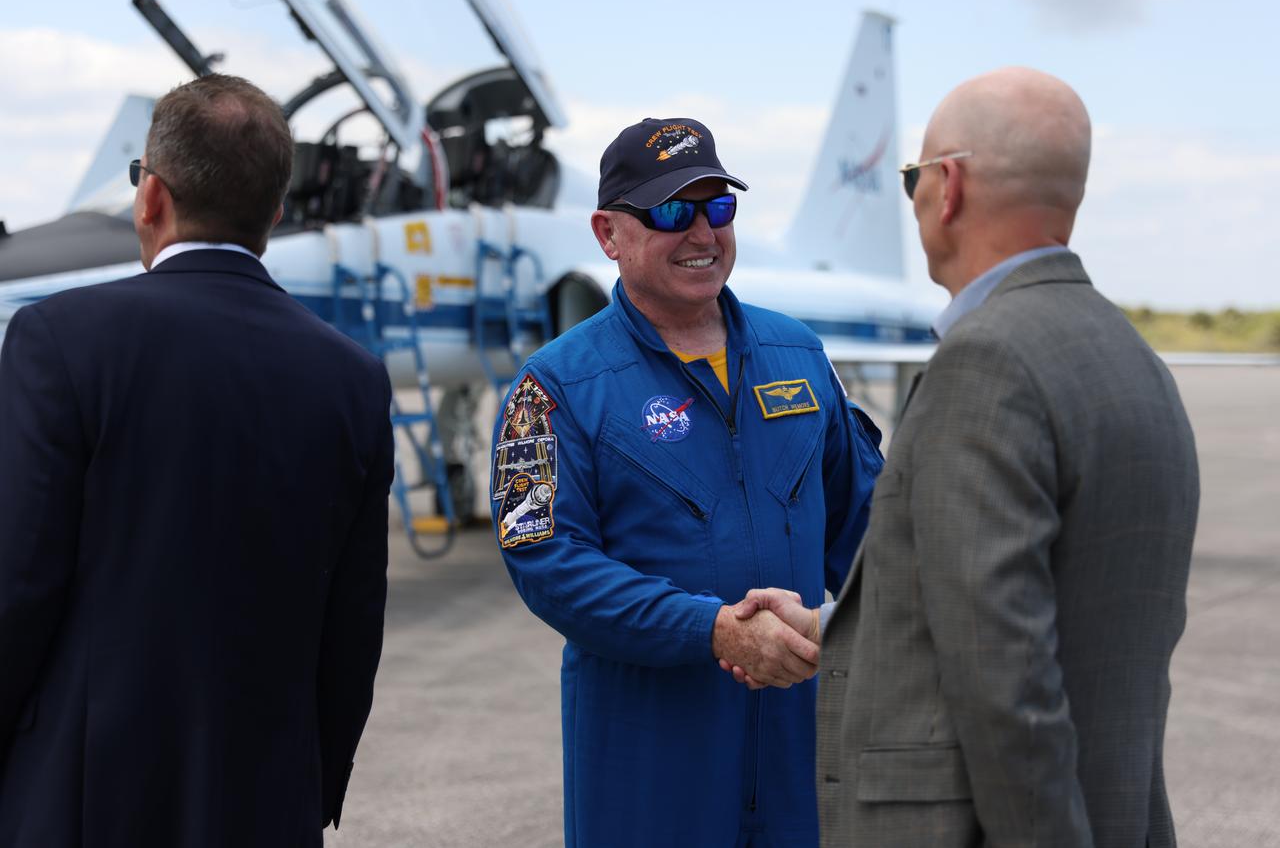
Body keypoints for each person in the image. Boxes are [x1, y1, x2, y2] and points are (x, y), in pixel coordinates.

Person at [732, 67, 1200, 847]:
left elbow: (1004, 679)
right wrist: (832, 622)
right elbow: (1070, 611)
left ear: (946, 187)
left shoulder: (987, 364)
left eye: (913, 175)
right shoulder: (1134, 360)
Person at [0, 74, 392, 846]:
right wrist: (308, 785)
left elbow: (17, 588)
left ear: (150, 198)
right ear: (276, 212)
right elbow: (353, 629)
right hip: (266, 800)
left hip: (83, 798)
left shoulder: (60, 340)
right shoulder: (352, 375)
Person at [489, 117, 883, 847]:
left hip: (802, 756)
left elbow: (872, 531)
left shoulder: (798, 356)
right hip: (648, 767)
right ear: (609, 233)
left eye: (718, 207)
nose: (703, 233)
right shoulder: (552, 388)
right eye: (672, 211)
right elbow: (546, 560)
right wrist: (711, 630)